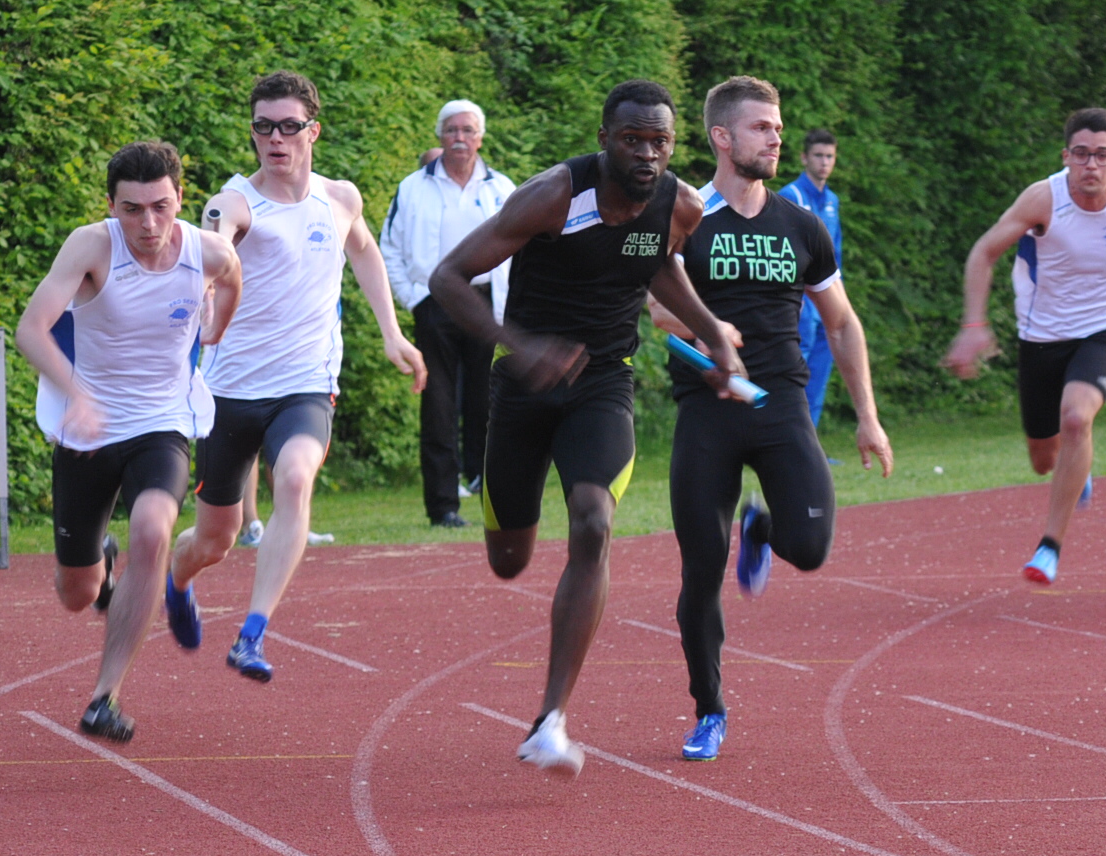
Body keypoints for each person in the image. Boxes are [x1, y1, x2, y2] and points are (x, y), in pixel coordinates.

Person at [429, 79, 742, 777]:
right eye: (632, 140)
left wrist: (712, 330)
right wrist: (521, 346)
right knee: (508, 560)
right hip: (523, 387)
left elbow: (658, 264)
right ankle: (512, 534)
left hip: (602, 383)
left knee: (594, 521)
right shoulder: (551, 196)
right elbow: (448, 277)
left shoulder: (681, 205)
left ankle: (551, 719)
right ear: (604, 140)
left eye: (660, 142)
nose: (647, 154)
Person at [649, 76, 892, 763]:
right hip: (708, 410)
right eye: (762, 127)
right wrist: (709, 332)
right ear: (722, 137)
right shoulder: (685, 215)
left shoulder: (801, 225)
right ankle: (709, 709)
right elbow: (656, 308)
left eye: (778, 126)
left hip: (780, 406)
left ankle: (759, 526)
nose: (776, 137)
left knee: (809, 548)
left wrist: (868, 418)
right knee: (701, 571)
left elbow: (841, 324)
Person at [168, 70, 426, 682]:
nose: (274, 139)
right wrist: (207, 288)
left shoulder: (340, 199)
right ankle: (176, 582)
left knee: (294, 477)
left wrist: (392, 332)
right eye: (263, 127)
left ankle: (252, 634)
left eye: (288, 126)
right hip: (230, 391)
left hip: (306, 385)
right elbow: (215, 238)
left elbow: (363, 250)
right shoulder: (234, 202)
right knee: (215, 540)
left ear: (314, 131)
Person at [15, 141, 242, 741]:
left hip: (161, 422)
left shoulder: (207, 251)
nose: (148, 224)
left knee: (153, 529)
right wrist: (76, 394)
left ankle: (104, 697)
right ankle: (102, 572)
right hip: (87, 429)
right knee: (77, 592)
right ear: (112, 206)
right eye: (133, 209)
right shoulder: (91, 245)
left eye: (161, 207)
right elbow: (31, 330)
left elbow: (232, 278)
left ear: (180, 199)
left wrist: (215, 326)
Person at [944, 108, 1106, 585]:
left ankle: (1049, 547)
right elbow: (984, 252)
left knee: (1077, 418)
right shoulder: (1043, 199)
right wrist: (974, 324)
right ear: (1066, 156)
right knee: (1044, 458)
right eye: (1081, 154)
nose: (1091, 165)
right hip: (1043, 335)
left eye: (1102, 155)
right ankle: (1074, 465)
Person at [382, 100, 516, 527]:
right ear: (440, 135)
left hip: (486, 304)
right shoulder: (412, 188)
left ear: (481, 138)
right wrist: (413, 299)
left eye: (468, 130)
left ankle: (487, 486)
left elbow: (522, 248)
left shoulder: (501, 188)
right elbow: (389, 249)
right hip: (434, 303)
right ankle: (443, 506)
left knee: (488, 402)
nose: (460, 138)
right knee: (438, 405)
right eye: (452, 130)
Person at [778, 129, 843, 428]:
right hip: (801, 303)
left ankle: (810, 441)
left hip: (826, 302)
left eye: (829, 156)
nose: (824, 162)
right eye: (818, 155)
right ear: (804, 158)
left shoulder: (832, 201)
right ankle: (787, 435)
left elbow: (835, 257)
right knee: (796, 372)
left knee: (819, 374)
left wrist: (840, 302)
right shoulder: (791, 195)